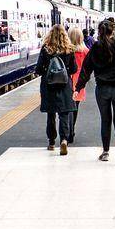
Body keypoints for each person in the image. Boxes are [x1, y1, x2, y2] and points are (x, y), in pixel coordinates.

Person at [74, 19, 115, 162]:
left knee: (105, 120)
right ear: (113, 31)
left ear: (99, 32)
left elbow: (86, 69)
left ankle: (105, 152)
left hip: (102, 90)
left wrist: (78, 88)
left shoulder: (95, 47)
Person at [35, 24, 77, 155]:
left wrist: (48, 71)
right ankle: (64, 140)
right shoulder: (69, 49)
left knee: (51, 114)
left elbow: (38, 69)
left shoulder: (46, 49)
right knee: (64, 113)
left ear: (50, 35)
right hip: (64, 86)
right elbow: (74, 69)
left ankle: (52, 142)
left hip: (49, 86)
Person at [69, 26, 90, 142]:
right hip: (79, 82)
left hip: (67, 81)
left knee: (66, 107)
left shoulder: (67, 51)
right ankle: (71, 131)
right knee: (75, 107)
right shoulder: (85, 51)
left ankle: (67, 130)